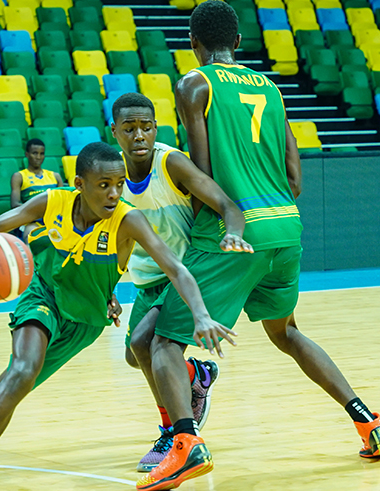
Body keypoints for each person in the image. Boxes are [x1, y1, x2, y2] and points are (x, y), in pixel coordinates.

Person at [136, 2, 380, 490]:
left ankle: (185, 444)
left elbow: (203, 176)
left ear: (193, 43)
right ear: (238, 42)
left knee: (162, 343)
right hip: (285, 227)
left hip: (233, 233)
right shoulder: (271, 88)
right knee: (287, 333)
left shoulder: (195, 84)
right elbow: (295, 178)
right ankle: (368, 421)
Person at [0, 142, 237, 491]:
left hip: (85, 321)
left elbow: (176, 269)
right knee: (21, 372)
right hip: (43, 298)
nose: (114, 193)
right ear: (80, 184)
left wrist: (201, 315)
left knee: (10, 388)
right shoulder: (52, 202)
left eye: (119, 184)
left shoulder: (128, 219)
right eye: (104, 185)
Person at [110, 92, 253, 472]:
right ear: (115, 132)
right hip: (147, 279)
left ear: (156, 128)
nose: (139, 135)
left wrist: (233, 233)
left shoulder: (170, 162)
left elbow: (227, 204)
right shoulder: (113, 175)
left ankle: (173, 433)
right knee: (134, 356)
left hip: (184, 272)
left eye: (146, 127)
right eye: (129, 128)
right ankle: (196, 375)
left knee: (143, 342)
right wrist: (109, 288)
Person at [9, 138, 64, 241]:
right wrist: (38, 212)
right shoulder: (19, 176)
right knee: (31, 237)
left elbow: (63, 202)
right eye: (35, 153)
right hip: (32, 221)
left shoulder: (55, 176)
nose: (38, 157)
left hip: (55, 219)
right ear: (27, 154)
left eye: (41, 154)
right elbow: (15, 204)